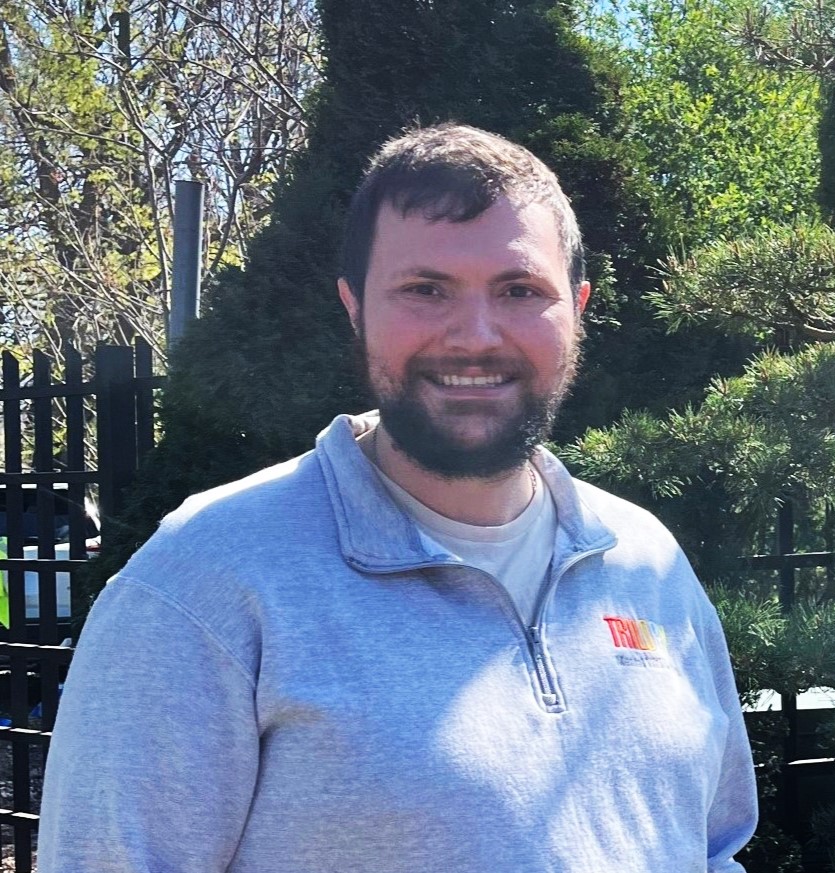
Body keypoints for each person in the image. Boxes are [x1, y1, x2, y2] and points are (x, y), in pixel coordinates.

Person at [38, 124, 757, 872]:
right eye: (425, 290)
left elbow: (712, 850)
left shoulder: (646, 561)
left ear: (576, 309)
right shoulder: (205, 581)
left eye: (519, 290)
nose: (475, 336)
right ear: (354, 307)